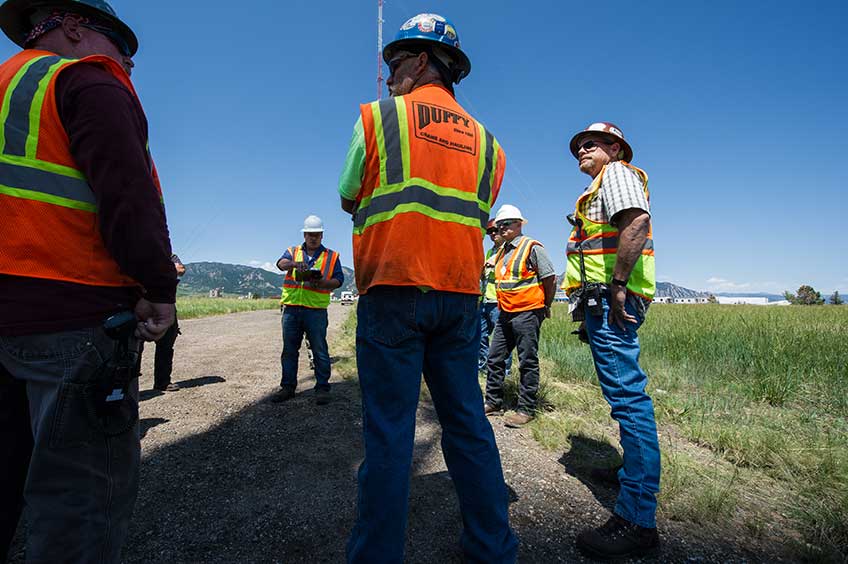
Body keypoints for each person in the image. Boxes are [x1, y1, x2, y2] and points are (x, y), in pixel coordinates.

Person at [0, 1, 176, 561]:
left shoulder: (7, 90)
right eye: (122, 48)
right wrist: (157, 288)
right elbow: (127, 197)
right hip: (70, 313)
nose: (127, 63)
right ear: (74, 26)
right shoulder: (85, 81)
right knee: (79, 502)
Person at [339, 13, 517, 563]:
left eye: (395, 64)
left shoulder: (378, 117)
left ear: (421, 61)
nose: (390, 75)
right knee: (467, 423)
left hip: (394, 289)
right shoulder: (490, 146)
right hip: (460, 296)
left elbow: (348, 195)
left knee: (389, 434)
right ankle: (493, 549)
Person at [563, 122, 660, 560]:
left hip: (612, 299)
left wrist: (617, 284)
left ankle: (637, 520)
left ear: (615, 148)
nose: (582, 149)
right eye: (578, 146)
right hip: (601, 300)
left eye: (591, 143)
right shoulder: (599, 186)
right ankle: (630, 473)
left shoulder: (617, 173)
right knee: (624, 397)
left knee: (628, 401)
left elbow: (636, 221)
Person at [484, 204, 556, 428]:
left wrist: (546, 305)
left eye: (506, 224)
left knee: (527, 361)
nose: (501, 228)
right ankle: (493, 402)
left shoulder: (531, 247)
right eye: (499, 225)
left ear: (519, 224)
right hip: (505, 312)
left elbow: (550, 278)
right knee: (495, 357)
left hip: (527, 312)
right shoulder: (501, 252)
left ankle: (526, 409)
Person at [271, 215, 343, 406]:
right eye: (310, 234)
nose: (313, 237)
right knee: (289, 350)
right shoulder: (292, 252)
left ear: (322, 235)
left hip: (316, 311)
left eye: (317, 234)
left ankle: (322, 388)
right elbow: (280, 264)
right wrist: (294, 264)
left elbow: (339, 280)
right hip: (292, 310)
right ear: (304, 235)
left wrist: (323, 283)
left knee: (319, 350)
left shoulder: (332, 256)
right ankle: (288, 387)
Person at [138, 254, 185, 391]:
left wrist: (154, 269)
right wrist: (166, 270)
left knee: (166, 345)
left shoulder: (170, 256)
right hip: (141, 302)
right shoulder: (139, 252)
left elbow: (181, 270)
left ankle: (162, 382)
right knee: (135, 345)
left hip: (165, 303)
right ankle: (130, 382)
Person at [479, 219, 511, 375]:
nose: (492, 234)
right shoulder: (490, 252)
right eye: (489, 232)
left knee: (503, 338)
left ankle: (504, 372)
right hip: (485, 299)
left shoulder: (509, 251)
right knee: (480, 335)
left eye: (495, 230)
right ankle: (484, 367)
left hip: (499, 301)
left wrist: (496, 263)